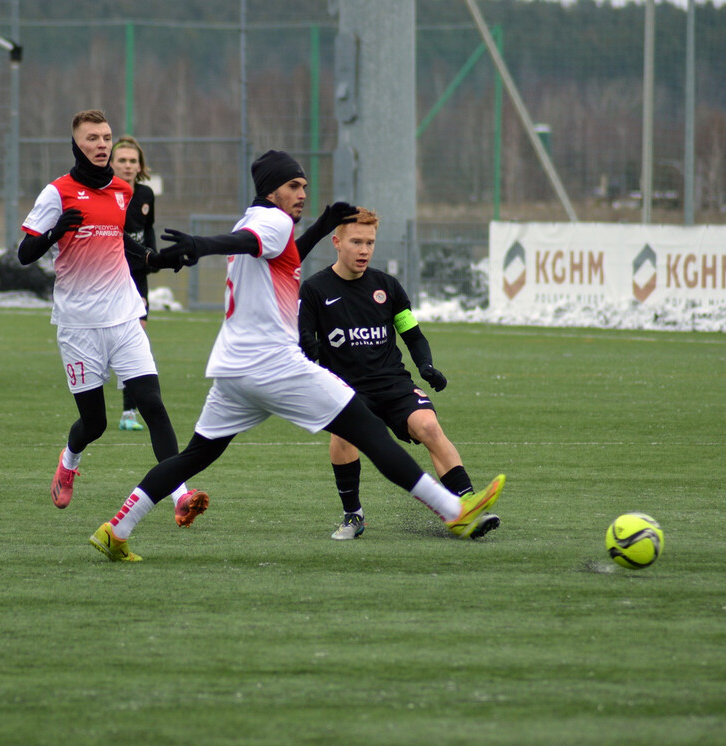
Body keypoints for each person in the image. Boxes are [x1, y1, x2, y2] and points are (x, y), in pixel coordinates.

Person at [87, 150, 505, 562]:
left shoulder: (260, 220)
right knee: (369, 431)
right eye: (293, 185)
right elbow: (246, 242)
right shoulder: (269, 221)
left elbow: (281, 259)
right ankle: (456, 512)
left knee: (195, 455)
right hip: (272, 363)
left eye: (305, 185)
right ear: (272, 190)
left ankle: (116, 530)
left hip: (235, 369)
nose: (302, 192)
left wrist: (323, 224)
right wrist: (201, 245)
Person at [18, 109, 207, 526]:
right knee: (96, 422)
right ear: (76, 143)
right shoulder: (57, 193)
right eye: (92, 138)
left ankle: (180, 494)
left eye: (105, 137)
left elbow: (119, 237)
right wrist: (55, 232)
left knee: (153, 405)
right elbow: (24, 254)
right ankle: (69, 462)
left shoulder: (123, 191)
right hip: (78, 326)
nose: (101, 144)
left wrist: (156, 258)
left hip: (124, 316)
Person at [299, 207, 500, 541]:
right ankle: (354, 516)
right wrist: (311, 349)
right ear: (336, 242)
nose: (364, 250)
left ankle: (467, 505)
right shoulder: (315, 289)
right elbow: (303, 337)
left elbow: (412, 333)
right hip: (346, 388)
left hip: (392, 382)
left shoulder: (387, 287)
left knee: (428, 425)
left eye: (370, 242)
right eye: (356, 242)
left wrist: (426, 366)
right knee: (343, 435)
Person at [110, 136, 156, 432]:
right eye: (122, 160)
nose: (127, 165)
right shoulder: (107, 192)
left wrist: (154, 259)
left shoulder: (146, 194)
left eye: (132, 160)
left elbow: (148, 229)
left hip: (137, 278)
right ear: (111, 164)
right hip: (110, 277)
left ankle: (129, 412)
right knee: (111, 340)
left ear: (140, 165)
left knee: (137, 339)